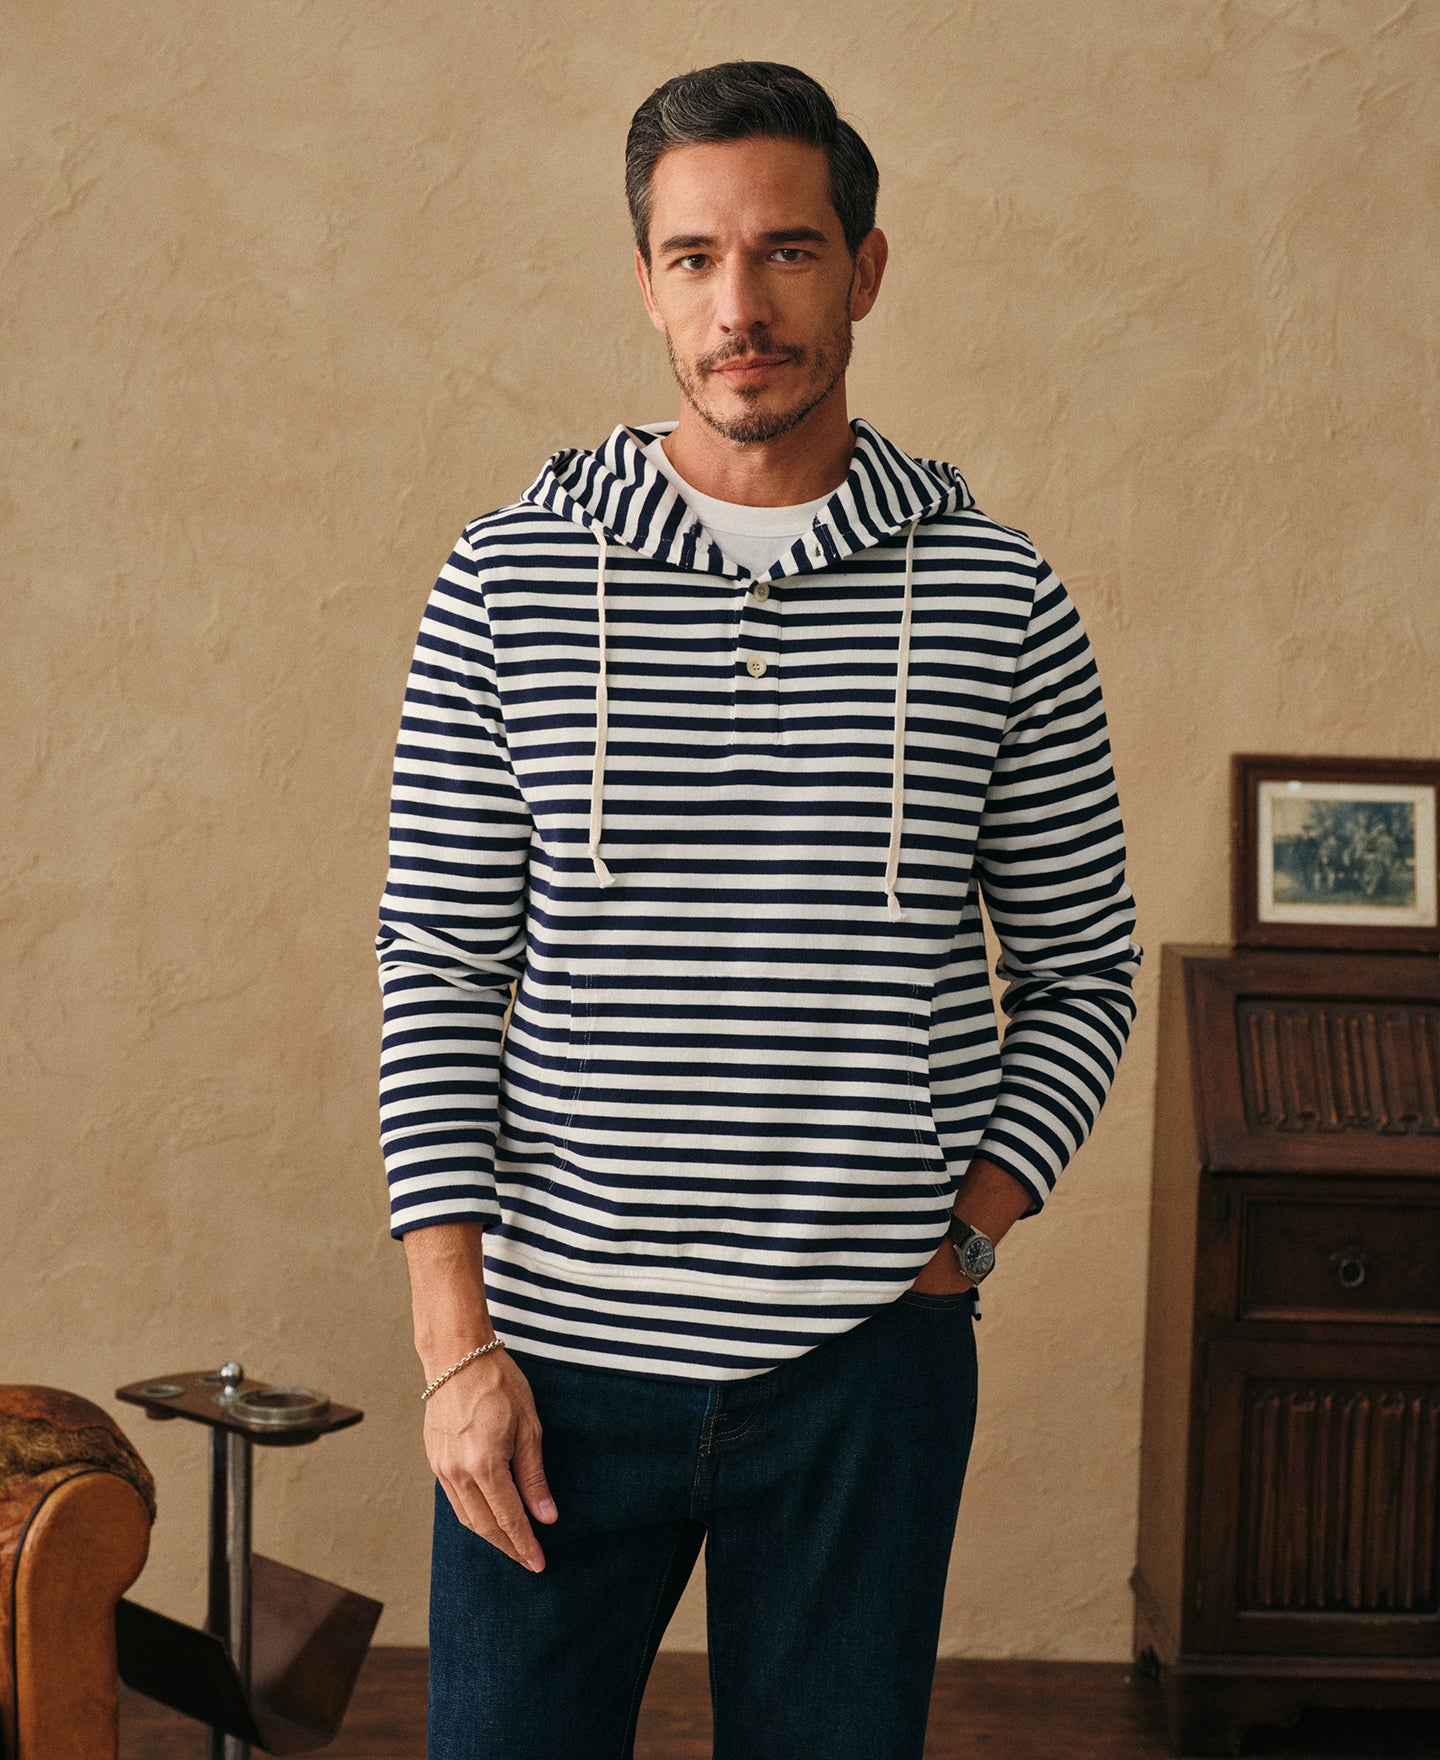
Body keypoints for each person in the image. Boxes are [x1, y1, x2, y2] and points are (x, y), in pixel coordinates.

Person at [375, 59, 1143, 1760]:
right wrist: (455, 1352)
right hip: (554, 1367)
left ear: (864, 271)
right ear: (648, 283)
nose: (743, 306)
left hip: (866, 1370)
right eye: (696, 258)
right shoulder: (506, 578)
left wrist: (963, 1238)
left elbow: (1086, 967)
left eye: (788, 252)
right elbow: (436, 968)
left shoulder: (999, 596)